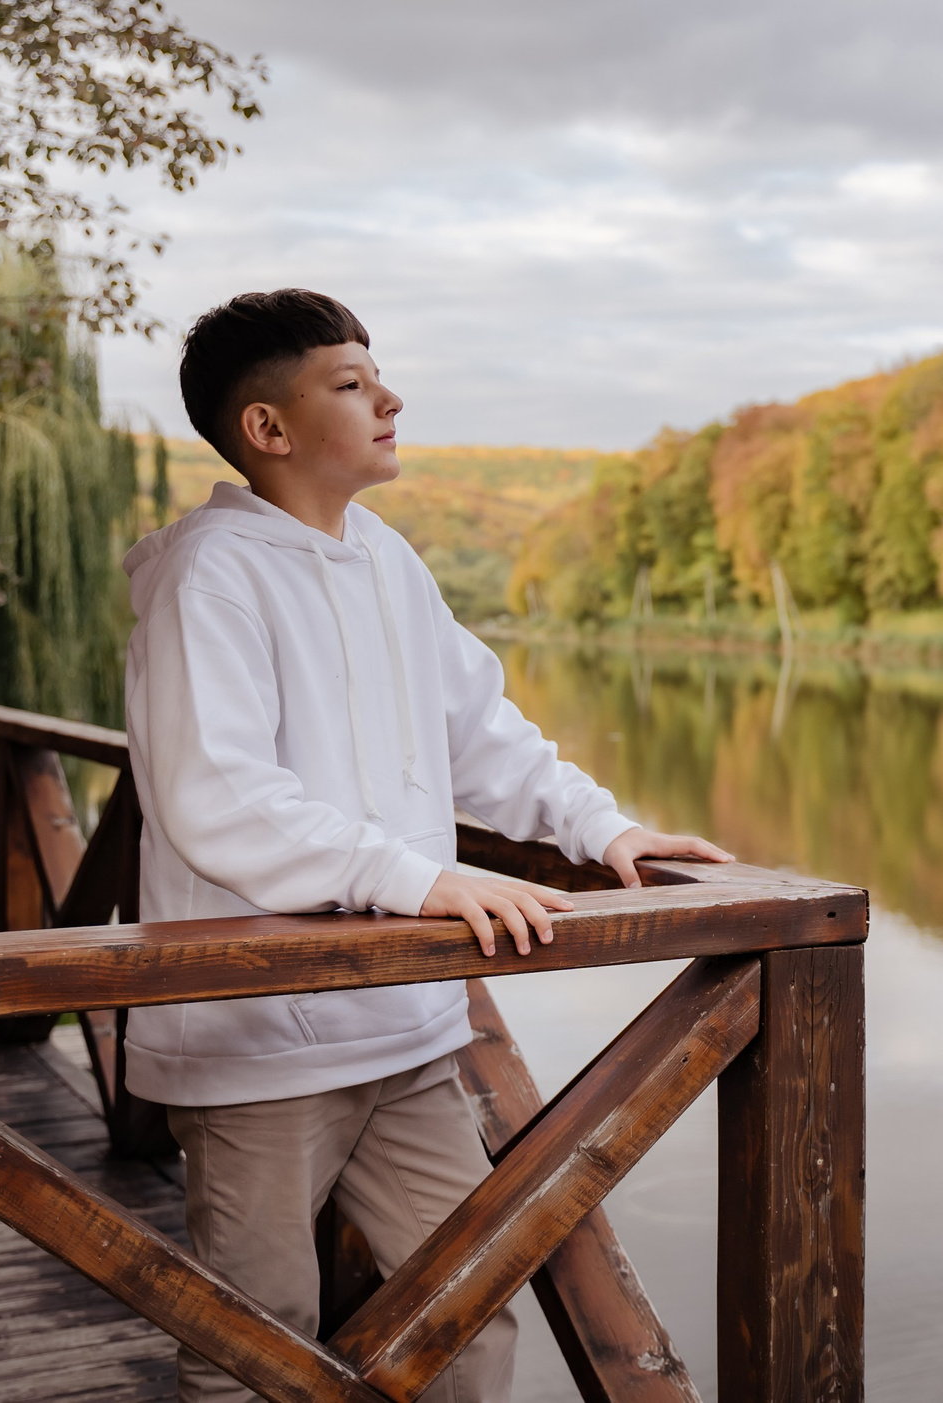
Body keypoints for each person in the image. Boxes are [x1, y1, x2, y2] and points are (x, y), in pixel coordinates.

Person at [121, 288, 731, 1402]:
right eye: (351, 384)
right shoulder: (207, 574)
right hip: (261, 1035)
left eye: (377, 374)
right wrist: (421, 878)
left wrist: (606, 829)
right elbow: (218, 795)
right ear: (269, 430)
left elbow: (481, 736)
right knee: (254, 1346)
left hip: (406, 1029)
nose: (390, 397)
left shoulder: (387, 561)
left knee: (465, 1305)